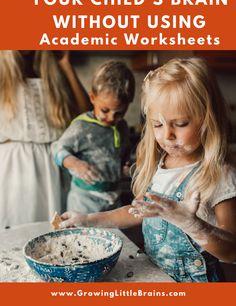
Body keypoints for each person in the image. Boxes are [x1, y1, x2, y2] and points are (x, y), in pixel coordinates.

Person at [59, 58, 236, 282]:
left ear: (208, 119)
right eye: (158, 125)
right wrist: (88, 219)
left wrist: (191, 224)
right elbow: (135, 212)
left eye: (180, 124)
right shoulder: (160, 165)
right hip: (156, 277)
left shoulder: (219, 174)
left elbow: (231, 251)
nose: (167, 135)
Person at [0, 50, 91, 229]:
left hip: (52, 164)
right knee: (16, 232)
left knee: (52, 232)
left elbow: (86, 116)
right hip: (13, 166)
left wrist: (66, 65)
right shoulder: (3, 71)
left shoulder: (53, 71)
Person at [52, 61, 135, 213]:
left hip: (113, 198)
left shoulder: (122, 126)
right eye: (105, 110)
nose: (111, 117)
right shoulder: (81, 127)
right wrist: (75, 163)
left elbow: (123, 154)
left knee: (112, 235)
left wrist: (125, 165)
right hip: (84, 201)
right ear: (92, 97)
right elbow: (56, 149)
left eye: (119, 113)